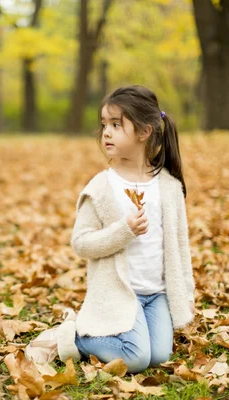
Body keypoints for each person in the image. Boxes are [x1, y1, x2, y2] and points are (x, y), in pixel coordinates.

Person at [56, 85, 195, 373]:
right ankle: (77, 337)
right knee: (135, 358)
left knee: (159, 356)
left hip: (156, 294)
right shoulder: (102, 187)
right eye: (104, 124)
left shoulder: (168, 186)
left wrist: (185, 293)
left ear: (144, 132)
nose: (106, 132)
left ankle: (132, 330)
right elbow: (81, 244)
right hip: (118, 292)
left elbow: (180, 247)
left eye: (116, 125)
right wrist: (123, 231)